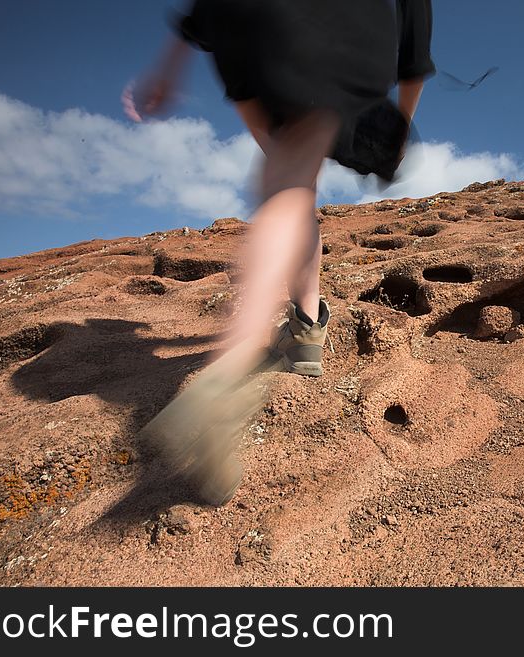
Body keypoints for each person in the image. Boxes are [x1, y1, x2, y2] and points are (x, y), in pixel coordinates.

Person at [124, 0, 434, 505]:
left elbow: (198, 14)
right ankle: (231, 369)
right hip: (338, 25)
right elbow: (415, 37)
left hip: (246, 33)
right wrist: (402, 116)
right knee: (292, 183)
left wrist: (167, 68)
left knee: (292, 185)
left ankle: (308, 328)